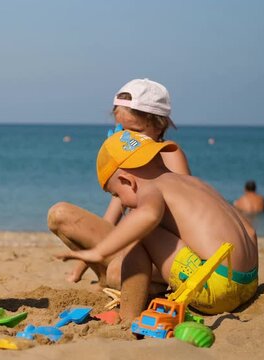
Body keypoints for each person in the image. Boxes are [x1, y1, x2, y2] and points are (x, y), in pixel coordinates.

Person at [50, 130, 258, 321]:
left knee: (142, 230)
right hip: (248, 282)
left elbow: (148, 215)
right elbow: (249, 230)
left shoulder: (152, 188)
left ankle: (128, 316)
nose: (121, 203)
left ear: (127, 181)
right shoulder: (196, 184)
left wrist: (98, 251)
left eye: (116, 195)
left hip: (215, 289)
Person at [50, 79, 191, 284]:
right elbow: (110, 220)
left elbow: (185, 215)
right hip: (131, 248)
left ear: (158, 126)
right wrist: (79, 268)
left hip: (165, 253)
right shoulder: (130, 165)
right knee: (59, 214)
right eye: (122, 132)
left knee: (119, 273)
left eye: (135, 131)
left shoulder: (169, 154)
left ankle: (127, 279)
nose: (127, 138)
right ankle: (104, 276)